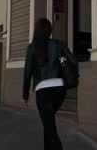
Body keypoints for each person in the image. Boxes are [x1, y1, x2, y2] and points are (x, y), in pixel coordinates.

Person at [23, 18, 78, 150]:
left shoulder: (32, 48)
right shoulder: (59, 44)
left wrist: (25, 95)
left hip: (43, 92)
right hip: (60, 90)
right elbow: (74, 61)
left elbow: (27, 73)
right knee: (48, 125)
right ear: (50, 30)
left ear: (36, 31)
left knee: (50, 128)